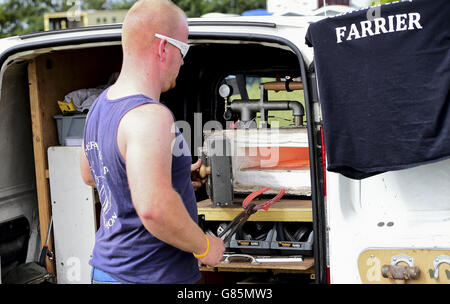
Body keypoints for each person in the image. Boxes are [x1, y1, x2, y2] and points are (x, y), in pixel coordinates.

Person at [79, 0, 225, 284]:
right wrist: (205, 246)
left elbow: (92, 174)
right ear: (163, 48)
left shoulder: (98, 106)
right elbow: (153, 208)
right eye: (183, 50)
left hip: (107, 270)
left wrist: (173, 175)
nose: (183, 61)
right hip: (151, 275)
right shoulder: (151, 116)